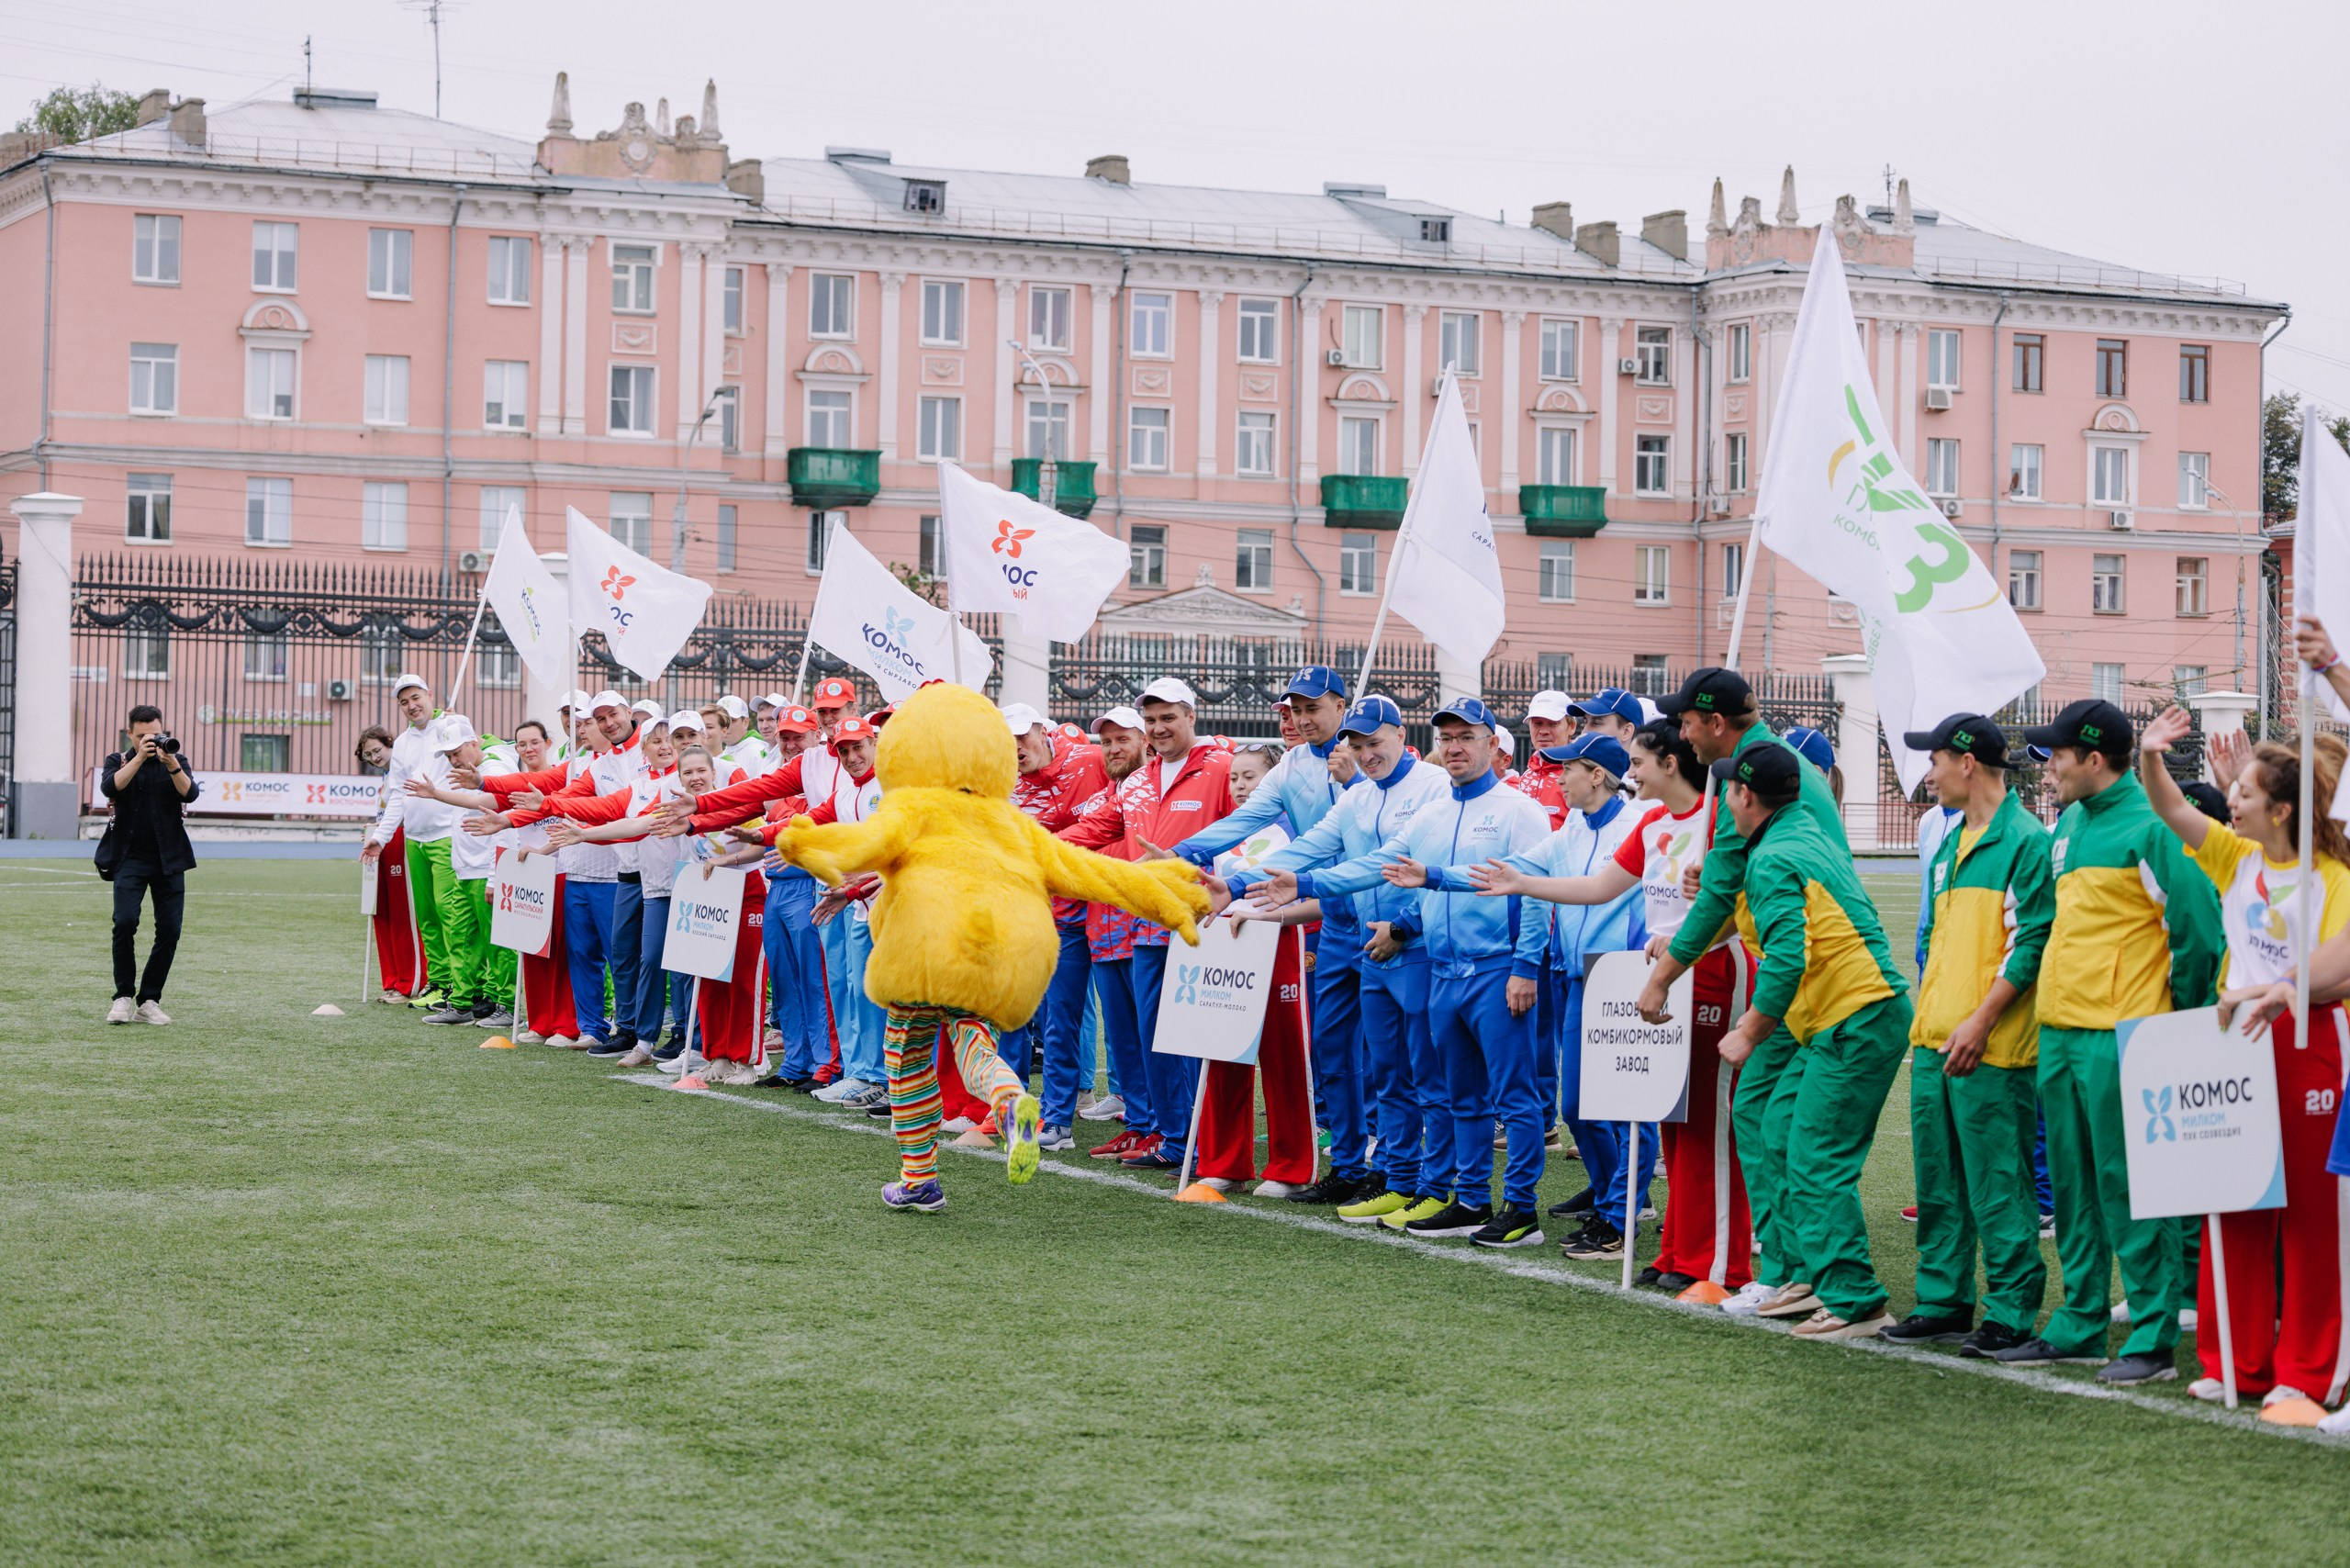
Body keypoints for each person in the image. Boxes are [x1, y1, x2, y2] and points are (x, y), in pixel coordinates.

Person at [763, 679, 1209, 1211]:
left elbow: (860, 843)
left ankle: (919, 1179)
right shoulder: (1010, 820)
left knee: (907, 1061)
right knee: (975, 1046)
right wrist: (1167, 894)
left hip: (921, 953)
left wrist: (800, 840)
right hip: (992, 957)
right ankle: (1010, 1100)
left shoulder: (915, 807)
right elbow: (1090, 871)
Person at [1472, 720, 1755, 1297]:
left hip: (1713, 976)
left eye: (1639, 763)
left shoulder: (1718, 820)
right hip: (1666, 977)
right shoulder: (1653, 824)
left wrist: (1695, 931)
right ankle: (1681, 1250)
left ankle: (1723, 1266)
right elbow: (1599, 887)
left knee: (1710, 1125)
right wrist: (1523, 884)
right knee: (1672, 1122)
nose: (1631, 774)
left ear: (1670, 763)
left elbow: (1743, 905)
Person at [1986, 698, 2222, 1385]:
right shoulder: (2068, 826)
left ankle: (2151, 1335)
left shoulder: (2152, 827)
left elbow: (2199, 931)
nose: (2049, 766)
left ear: (2094, 759)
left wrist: (2178, 1023)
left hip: (2125, 1038)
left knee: (2132, 1189)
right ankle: (2080, 1323)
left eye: (2058, 755)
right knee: (2073, 1190)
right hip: (2062, 1033)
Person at [2137, 704, 2348, 1419]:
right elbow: (2170, 807)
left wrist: (2265, 992)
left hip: (2311, 1041)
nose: (2231, 800)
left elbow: (2331, 971)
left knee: (2313, 1216)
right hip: (2237, 1043)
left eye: (2246, 793)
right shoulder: (2235, 857)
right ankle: (2234, 1361)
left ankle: (2310, 1371)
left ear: (2281, 810)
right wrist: (2150, 753)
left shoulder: (2332, 876)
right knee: (2234, 1201)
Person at [1637, 667, 1851, 1317]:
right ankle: (1788, 1272)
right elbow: (1734, 897)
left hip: (1813, 979)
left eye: (1686, 722)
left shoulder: (1745, 779)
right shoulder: (1772, 765)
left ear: (1715, 723)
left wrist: (1661, 977)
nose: (1680, 735)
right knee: (1765, 1119)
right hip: (1808, 973)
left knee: (1774, 1128)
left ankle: (1764, 1270)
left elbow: (1722, 903)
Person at [1221, 694, 1453, 1216]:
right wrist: (1232, 883)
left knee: (1417, 1069)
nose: (1368, 753)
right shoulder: (1358, 795)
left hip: (1410, 942)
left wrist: (1403, 926)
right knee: (1344, 1057)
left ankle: (1427, 1181)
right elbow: (1309, 848)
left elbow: (1402, 865)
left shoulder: (1432, 785)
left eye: (1376, 742)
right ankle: (1358, 1169)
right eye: (1359, 744)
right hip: (1352, 935)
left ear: (1401, 735)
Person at [1709, 743, 1912, 1339]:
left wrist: (1748, 1031)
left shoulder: (1774, 854)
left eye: (1728, 790)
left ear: (1745, 795)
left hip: (1855, 1016)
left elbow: (1787, 958)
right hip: (1841, 1017)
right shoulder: (1798, 836)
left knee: (1815, 1156)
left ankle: (1855, 1300)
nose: (1723, 800)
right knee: (1779, 1131)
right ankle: (1802, 1274)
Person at [1884, 714, 2052, 1360]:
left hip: (1992, 1048)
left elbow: (2029, 944)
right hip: (1935, 1040)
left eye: (1934, 761)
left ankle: (2010, 1312)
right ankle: (1943, 1302)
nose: (1928, 775)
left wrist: (1979, 1022)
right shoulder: (1951, 838)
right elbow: (1934, 938)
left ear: (1967, 763)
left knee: (1999, 1184)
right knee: (1939, 1184)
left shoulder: (2024, 840)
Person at [1367, 699, 1557, 1245]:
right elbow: (1400, 879)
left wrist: (1525, 966)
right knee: (1461, 1097)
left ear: (1494, 745)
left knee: (1514, 1096)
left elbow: (1537, 893)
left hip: (1497, 969)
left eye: (1467, 737)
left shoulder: (1519, 809)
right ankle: (1472, 1200)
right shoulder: (1432, 814)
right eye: (1446, 737)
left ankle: (1521, 1209)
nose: (1454, 747)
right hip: (1443, 972)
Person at [1172, 666, 1365, 1200]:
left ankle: (1316, 1163)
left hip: (1337, 919)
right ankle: (1232, 1162)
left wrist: (1355, 780)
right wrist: (1181, 853)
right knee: (1236, 1039)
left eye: (1313, 708)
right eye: (1295, 710)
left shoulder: (1367, 758)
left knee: (1313, 1052)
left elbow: (1364, 832)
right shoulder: (1293, 767)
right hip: (1295, 912)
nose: (1302, 719)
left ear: (1341, 706)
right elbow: (1243, 821)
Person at [1483, 734, 1649, 1260]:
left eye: (1567, 768)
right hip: (1577, 977)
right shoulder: (1572, 826)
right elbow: (1514, 871)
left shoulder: (1640, 824)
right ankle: (1612, 1199)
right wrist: (1434, 876)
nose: (1557, 777)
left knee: (1632, 1109)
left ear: (1597, 776)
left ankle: (1620, 1212)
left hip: (1626, 977)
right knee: (1578, 1107)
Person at [1060, 677, 1236, 1171]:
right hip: (1147, 927)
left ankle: (1207, 1141)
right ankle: (1176, 1140)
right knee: (1155, 1037)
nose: (1159, 728)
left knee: (1198, 1039)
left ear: (1191, 717)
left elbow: (1247, 831)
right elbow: (1096, 828)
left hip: (1200, 924)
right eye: (1152, 719)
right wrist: (1033, 845)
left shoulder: (1220, 768)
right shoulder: (1137, 782)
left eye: (1168, 718)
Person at [1002, 703, 1111, 1150]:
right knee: (1051, 1018)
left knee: (1125, 1019)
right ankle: (1052, 1117)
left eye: (1021, 736)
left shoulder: (1092, 759)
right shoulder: (1006, 788)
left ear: (1043, 732)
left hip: (1109, 908)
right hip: (1052, 917)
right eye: (1006, 741)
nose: (1016, 747)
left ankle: (1143, 1118)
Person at [1068, 709, 1152, 1148]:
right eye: (1107, 742)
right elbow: (1080, 841)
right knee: (1121, 1040)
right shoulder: (1103, 799)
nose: (1114, 749)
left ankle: (1165, 1128)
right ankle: (1138, 1124)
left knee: (1152, 1038)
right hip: (1103, 932)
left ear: (1144, 741)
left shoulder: (1153, 790)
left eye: (1123, 740)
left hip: (1144, 933)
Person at [364, 675, 464, 1014]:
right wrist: (380, 837)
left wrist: (457, 723)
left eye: (416, 697)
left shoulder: (450, 726)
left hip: (447, 835)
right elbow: (397, 796)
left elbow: (480, 750)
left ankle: (461, 987)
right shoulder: (404, 742)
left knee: (450, 914)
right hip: (415, 839)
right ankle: (439, 983)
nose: (412, 706)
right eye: (404, 702)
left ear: (430, 695)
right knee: (427, 916)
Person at [98, 703, 199, 1025]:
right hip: (130, 857)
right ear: (130, 733)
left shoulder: (176, 759)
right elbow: (110, 787)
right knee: (124, 922)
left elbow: (190, 794)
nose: (150, 741)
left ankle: (149, 1000)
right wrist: (140, 757)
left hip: (170, 858)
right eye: (142, 736)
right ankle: (122, 997)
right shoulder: (118, 760)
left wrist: (172, 765)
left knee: (170, 929)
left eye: (154, 735)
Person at [400, 715, 504, 1025]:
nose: (453, 760)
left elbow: (501, 820)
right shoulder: (467, 775)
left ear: (474, 743)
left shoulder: (495, 770)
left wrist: (495, 876)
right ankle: (462, 1003)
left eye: (456, 752)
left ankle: (505, 1004)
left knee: (496, 943)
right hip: (465, 869)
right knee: (461, 937)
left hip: (484, 870)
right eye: (448, 756)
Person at [355, 724, 428, 1002]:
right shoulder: (387, 776)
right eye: (368, 755)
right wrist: (375, 830)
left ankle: (412, 982)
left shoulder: (405, 769)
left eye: (377, 750)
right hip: (385, 844)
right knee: (382, 914)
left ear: (390, 743)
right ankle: (394, 981)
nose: (374, 757)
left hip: (402, 842)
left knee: (403, 915)